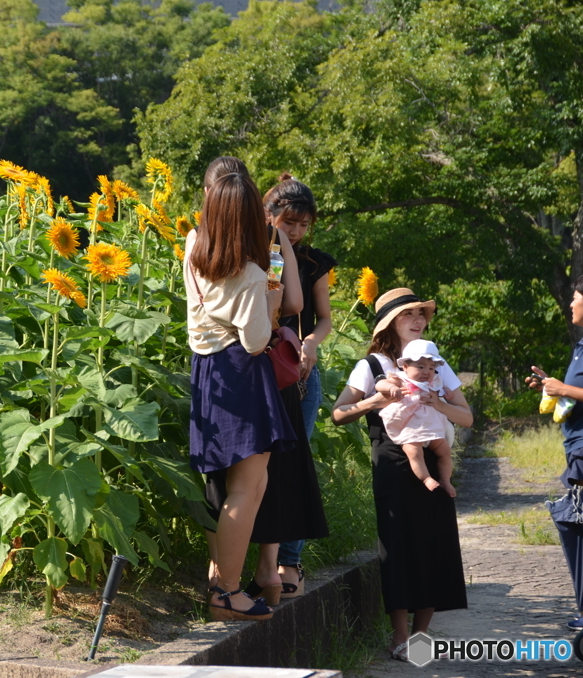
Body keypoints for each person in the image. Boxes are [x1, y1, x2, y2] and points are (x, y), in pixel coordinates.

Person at [332, 288, 471, 661]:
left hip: (434, 457)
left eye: (422, 313)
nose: (418, 319)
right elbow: (339, 413)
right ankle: (399, 635)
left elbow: (466, 416)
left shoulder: (435, 362)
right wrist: (376, 400)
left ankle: (422, 638)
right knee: (397, 547)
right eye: (408, 313)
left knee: (434, 543)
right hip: (391, 462)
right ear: (389, 323)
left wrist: (437, 402)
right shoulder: (372, 365)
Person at [186, 157, 292, 621]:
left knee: (228, 485)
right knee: (247, 488)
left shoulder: (192, 245)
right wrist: (270, 299)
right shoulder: (251, 274)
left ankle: (220, 579)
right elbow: (255, 341)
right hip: (240, 371)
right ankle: (226, 592)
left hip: (206, 368)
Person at [261, 173, 334, 599]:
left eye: (304, 225)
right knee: (267, 470)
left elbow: (322, 318)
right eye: (290, 222)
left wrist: (310, 343)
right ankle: (266, 563)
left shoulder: (313, 262)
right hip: (262, 367)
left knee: (296, 466)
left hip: (299, 371)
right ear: (270, 215)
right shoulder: (259, 255)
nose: (297, 232)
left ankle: (291, 561)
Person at [525, 277, 583, 629]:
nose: (572, 303)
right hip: (575, 447)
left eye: (576, 297)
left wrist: (563, 387)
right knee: (572, 522)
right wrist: (551, 387)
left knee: (574, 523)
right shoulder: (580, 346)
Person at [375, 339, 456, 498]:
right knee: (413, 451)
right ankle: (425, 478)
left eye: (431, 367)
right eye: (421, 366)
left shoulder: (434, 381)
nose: (427, 371)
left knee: (445, 450)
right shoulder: (400, 379)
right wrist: (391, 388)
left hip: (431, 426)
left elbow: (442, 390)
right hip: (409, 426)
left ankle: (445, 479)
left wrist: (447, 392)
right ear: (405, 367)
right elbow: (380, 384)